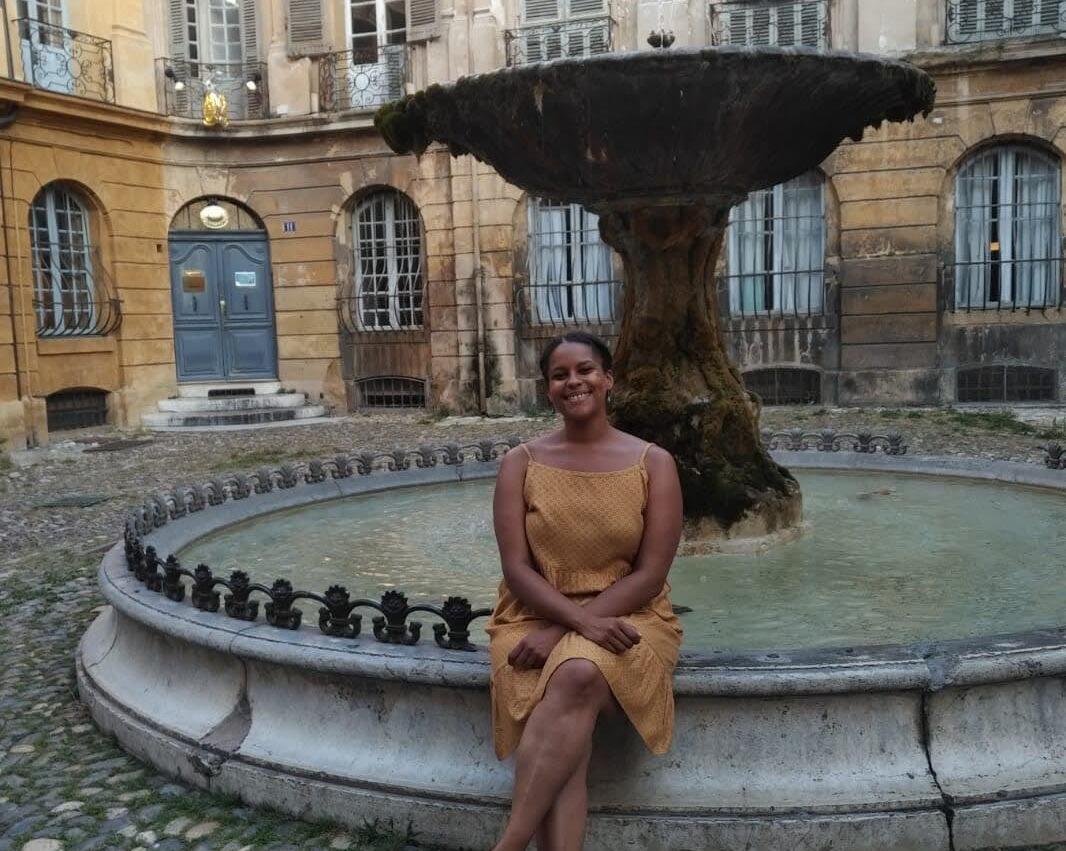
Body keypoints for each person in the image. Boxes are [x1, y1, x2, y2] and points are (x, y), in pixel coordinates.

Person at [487, 331, 684, 851]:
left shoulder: (653, 463)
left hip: (631, 612)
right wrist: (568, 623)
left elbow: (651, 573)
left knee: (575, 671)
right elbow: (516, 569)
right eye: (559, 375)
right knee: (569, 699)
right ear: (547, 389)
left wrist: (571, 628)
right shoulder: (520, 463)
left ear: (608, 379)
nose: (573, 382)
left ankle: (508, 844)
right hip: (531, 614)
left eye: (585, 370)